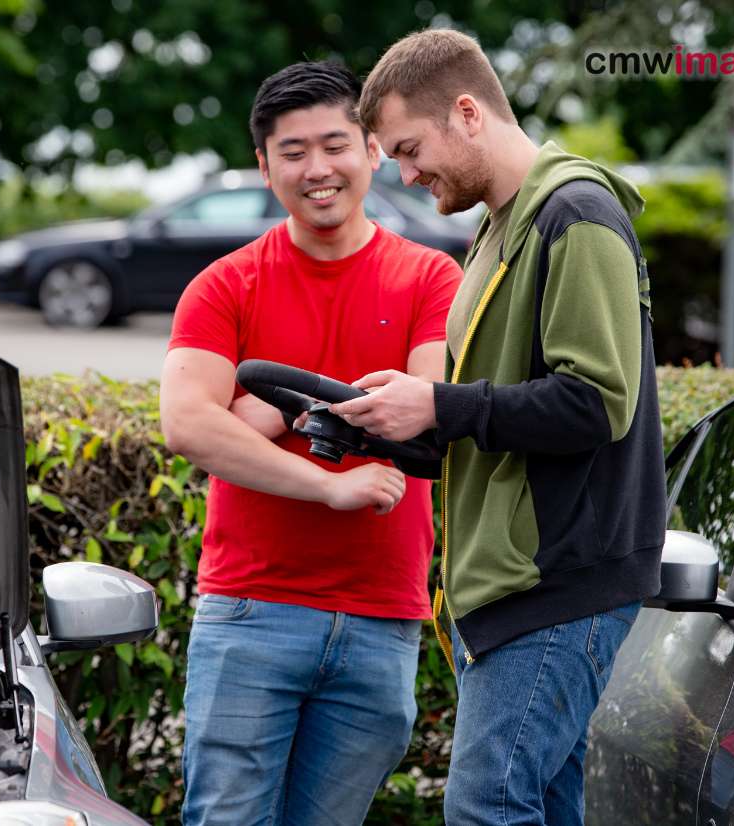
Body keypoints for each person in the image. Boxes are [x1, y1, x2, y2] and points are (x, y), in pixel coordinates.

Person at [330, 29, 667, 826]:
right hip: (521, 584)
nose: (406, 175)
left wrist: (443, 405)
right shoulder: (499, 224)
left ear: (469, 113)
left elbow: (597, 402)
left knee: (486, 807)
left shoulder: (575, 214)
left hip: (555, 585)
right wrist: (401, 428)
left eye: (410, 149)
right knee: (542, 806)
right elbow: (505, 411)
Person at [158, 61, 462, 826]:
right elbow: (189, 424)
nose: (317, 169)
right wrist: (329, 484)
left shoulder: (431, 278)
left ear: (370, 150)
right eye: (293, 152)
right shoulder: (225, 285)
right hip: (251, 610)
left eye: (335, 145)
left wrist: (271, 408)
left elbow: (425, 409)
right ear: (263, 167)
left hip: (382, 616)